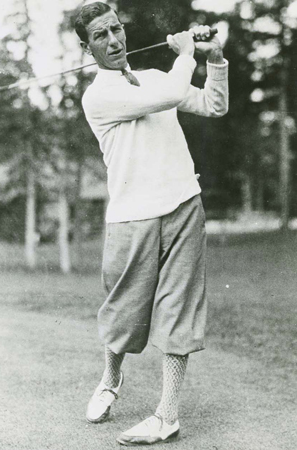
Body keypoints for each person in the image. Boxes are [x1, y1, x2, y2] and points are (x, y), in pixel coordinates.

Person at [75, 2, 228, 446]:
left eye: (116, 30)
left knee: (179, 311)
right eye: (101, 36)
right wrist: (186, 54)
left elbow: (213, 105)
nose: (115, 41)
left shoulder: (160, 78)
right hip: (131, 215)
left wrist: (214, 56)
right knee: (125, 313)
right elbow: (168, 95)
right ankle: (110, 377)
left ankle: (167, 414)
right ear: (88, 49)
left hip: (183, 203)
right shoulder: (98, 95)